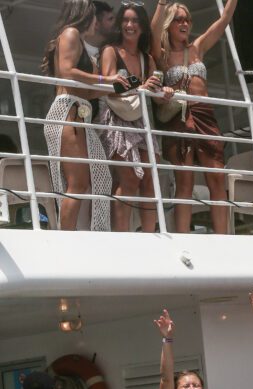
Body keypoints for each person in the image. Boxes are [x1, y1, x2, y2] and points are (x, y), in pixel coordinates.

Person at [151, 0, 238, 234]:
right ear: (169, 24)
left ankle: (223, 238)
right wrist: (161, 4)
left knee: (217, 180)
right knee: (185, 182)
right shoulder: (162, 55)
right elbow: (153, 32)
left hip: (205, 116)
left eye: (187, 19)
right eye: (178, 19)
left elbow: (224, 20)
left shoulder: (197, 48)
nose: (184, 23)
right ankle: (183, 238)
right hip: (180, 118)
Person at [42, 0, 127, 231]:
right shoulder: (70, 33)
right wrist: (106, 79)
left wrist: (119, 87)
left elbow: (88, 92)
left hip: (79, 112)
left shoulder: (78, 41)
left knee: (100, 178)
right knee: (77, 183)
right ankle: (66, 236)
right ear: (86, 15)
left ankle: (91, 232)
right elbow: (68, 71)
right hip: (68, 113)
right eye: (94, 16)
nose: (97, 21)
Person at [98, 2, 173, 232]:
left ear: (142, 28)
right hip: (116, 118)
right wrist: (140, 84)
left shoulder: (147, 59)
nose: (130, 25)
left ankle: (149, 236)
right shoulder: (110, 50)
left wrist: (164, 93)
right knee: (129, 179)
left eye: (135, 21)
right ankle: (122, 237)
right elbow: (107, 85)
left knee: (150, 179)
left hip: (141, 121)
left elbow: (153, 95)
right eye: (126, 20)